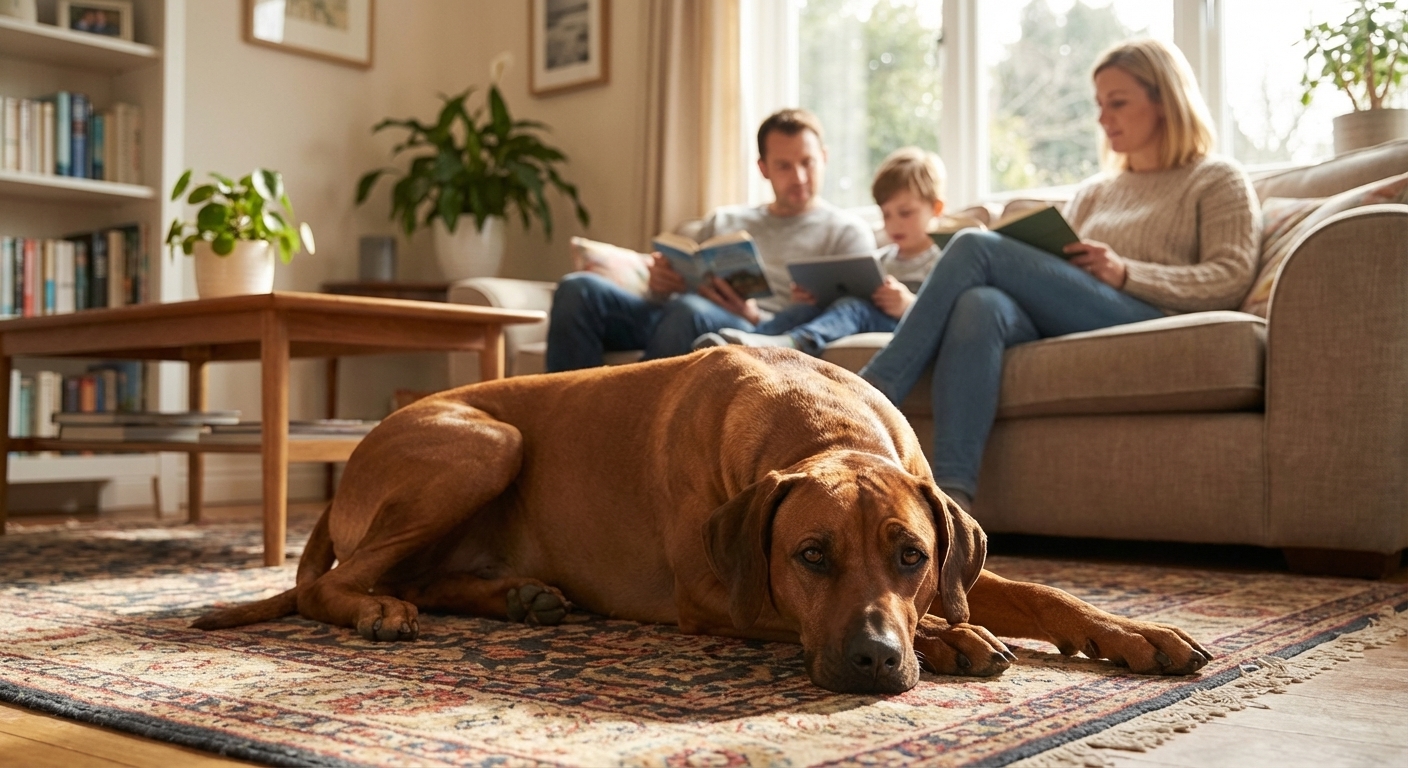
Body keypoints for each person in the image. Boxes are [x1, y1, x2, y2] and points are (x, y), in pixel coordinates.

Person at [858, 38, 1260, 512]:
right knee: (978, 306)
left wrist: (1127, 273)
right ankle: (953, 502)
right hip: (1076, 312)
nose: (1103, 118)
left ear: (1163, 100)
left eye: (1118, 103)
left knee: (971, 244)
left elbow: (1230, 276)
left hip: (1147, 313)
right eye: (1099, 105)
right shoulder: (1096, 191)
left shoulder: (1217, 179)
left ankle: (870, 394)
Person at [545, 109, 875, 372]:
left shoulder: (845, 232)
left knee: (689, 311)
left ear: (825, 157)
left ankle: (634, 425)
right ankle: (567, 421)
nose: (800, 177)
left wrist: (753, 317)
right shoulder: (725, 220)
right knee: (578, 288)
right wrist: (661, 282)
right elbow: (671, 288)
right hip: (674, 312)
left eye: (808, 162)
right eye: (784, 166)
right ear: (763, 169)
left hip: (744, 326)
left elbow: (850, 315)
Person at [695, 146, 946, 354]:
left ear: (936, 208)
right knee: (807, 308)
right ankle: (736, 348)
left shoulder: (944, 260)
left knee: (853, 307)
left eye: (905, 213)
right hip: (856, 319)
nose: (894, 224)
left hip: (896, 325)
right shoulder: (880, 259)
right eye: (886, 214)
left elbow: (947, 317)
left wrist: (907, 305)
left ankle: (796, 342)